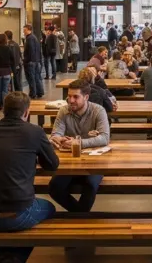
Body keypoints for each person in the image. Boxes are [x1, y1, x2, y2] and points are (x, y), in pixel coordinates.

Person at [0, 91, 59, 263]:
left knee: (6, 219)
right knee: (49, 209)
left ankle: (7, 258)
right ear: (27, 112)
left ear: (4, 110)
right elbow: (52, 165)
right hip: (18, 214)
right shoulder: (34, 132)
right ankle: (14, 259)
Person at [49, 80, 110, 212]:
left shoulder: (98, 111)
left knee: (91, 185)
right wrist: (58, 139)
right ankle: (80, 215)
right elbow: (55, 134)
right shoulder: (63, 111)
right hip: (70, 161)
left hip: (95, 161)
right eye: (69, 96)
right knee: (54, 187)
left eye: (76, 97)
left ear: (86, 97)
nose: (71, 100)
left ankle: (79, 217)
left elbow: (105, 138)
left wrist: (78, 143)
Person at [0, 33, 15, 111]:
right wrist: (13, 70)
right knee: (5, 89)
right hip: (7, 71)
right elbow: (13, 60)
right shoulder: (8, 48)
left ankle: (0, 104)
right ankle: (4, 104)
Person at [22, 24, 45, 99]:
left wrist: (27, 60)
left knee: (31, 78)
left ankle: (33, 93)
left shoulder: (30, 38)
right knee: (37, 77)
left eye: (24, 30)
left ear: (29, 29)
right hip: (36, 61)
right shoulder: (34, 37)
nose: (23, 32)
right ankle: (40, 92)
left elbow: (31, 50)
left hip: (31, 62)